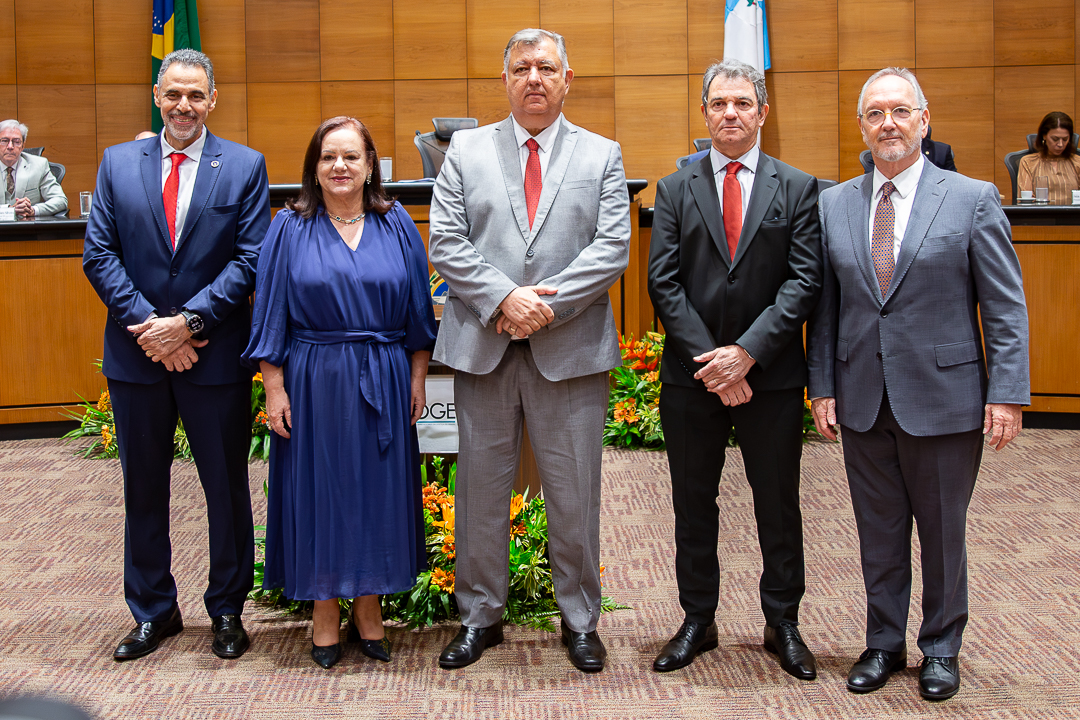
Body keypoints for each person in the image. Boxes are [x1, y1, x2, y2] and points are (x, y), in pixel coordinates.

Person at [807, 67, 1029, 702]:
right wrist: (822, 385)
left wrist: (1007, 392)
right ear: (861, 126)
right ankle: (882, 642)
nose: (889, 124)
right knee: (877, 530)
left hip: (945, 398)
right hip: (861, 397)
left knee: (941, 531)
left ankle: (941, 647)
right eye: (875, 114)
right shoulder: (834, 204)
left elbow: (1005, 308)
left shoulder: (972, 197)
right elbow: (826, 309)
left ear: (924, 120)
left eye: (901, 112)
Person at [428, 27, 630, 673]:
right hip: (483, 347)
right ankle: (480, 616)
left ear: (567, 79)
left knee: (575, 494)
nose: (534, 78)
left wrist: (543, 305)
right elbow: (447, 241)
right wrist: (504, 300)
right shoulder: (466, 150)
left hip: (570, 350)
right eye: (522, 68)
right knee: (480, 493)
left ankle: (579, 620)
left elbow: (611, 247)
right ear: (506, 79)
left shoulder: (602, 155)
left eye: (547, 67)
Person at [83, 49, 270, 662]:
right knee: (143, 488)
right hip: (137, 359)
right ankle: (153, 610)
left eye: (196, 95)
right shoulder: (116, 164)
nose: (184, 105)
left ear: (213, 100)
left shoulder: (243, 166)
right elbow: (99, 255)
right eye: (173, 94)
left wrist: (188, 324)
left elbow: (250, 260)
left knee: (225, 487)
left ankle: (226, 610)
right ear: (157, 96)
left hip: (211, 356)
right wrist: (150, 329)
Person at [646, 59, 823, 680]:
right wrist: (715, 364)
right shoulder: (675, 187)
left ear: (763, 113)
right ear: (704, 113)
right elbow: (662, 283)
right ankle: (698, 617)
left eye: (743, 104)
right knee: (693, 502)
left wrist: (746, 354)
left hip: (769, 378)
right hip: (691, 380)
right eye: (719, 104)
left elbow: (805, 282)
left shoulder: (799, 187)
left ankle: (783, 621)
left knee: (777, 503)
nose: (730, 113)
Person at [243, 116, 437, 670]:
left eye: (352, 156)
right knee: (321, 491)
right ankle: (324, 609)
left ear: (371, 164)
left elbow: (417, 316)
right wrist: (273, 386)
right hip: (313, 379)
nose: (340, 167)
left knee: (377, 490)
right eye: (329, 157)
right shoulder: (289, 226)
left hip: (384, 373)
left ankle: (370, 608)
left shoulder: (396, 221)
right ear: (314, 166)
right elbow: (271, 312)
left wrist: (417, 377)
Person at [0, 119, 68, 218]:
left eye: (16, 142)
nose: (10, 146)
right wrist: (9, 210)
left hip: (28, 229)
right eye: (4, 141)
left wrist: (33, 210)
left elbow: (60, 200)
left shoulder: (39, 165)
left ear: (23, 146)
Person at [1018, 111, 1080, 204]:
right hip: (1040, 217)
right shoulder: (1028, 162)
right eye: (1055, 139)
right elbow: (1026, 202)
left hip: (1073, 217)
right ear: (1044, 136)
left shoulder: (1077, 162)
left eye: (1065, 139)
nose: (1060, 144)